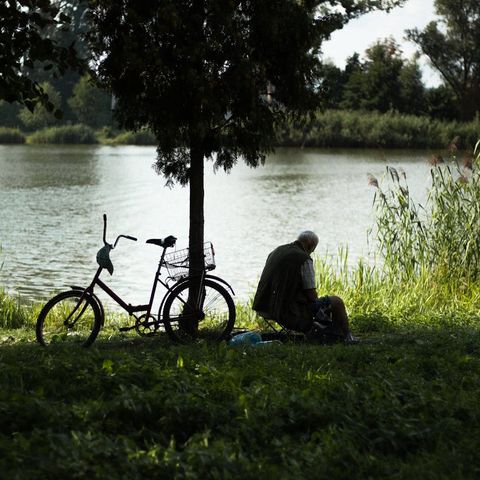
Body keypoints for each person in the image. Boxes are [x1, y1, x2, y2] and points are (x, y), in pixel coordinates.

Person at [252, 230, 357, 342]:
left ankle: (332, 335)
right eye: (313, 250)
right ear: (310, 244)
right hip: (285, 311)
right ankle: (346, 337)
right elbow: (311, 296)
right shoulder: (304, 259)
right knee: (336, 302)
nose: (311, 253)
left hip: (264, 306)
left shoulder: (277, 251)